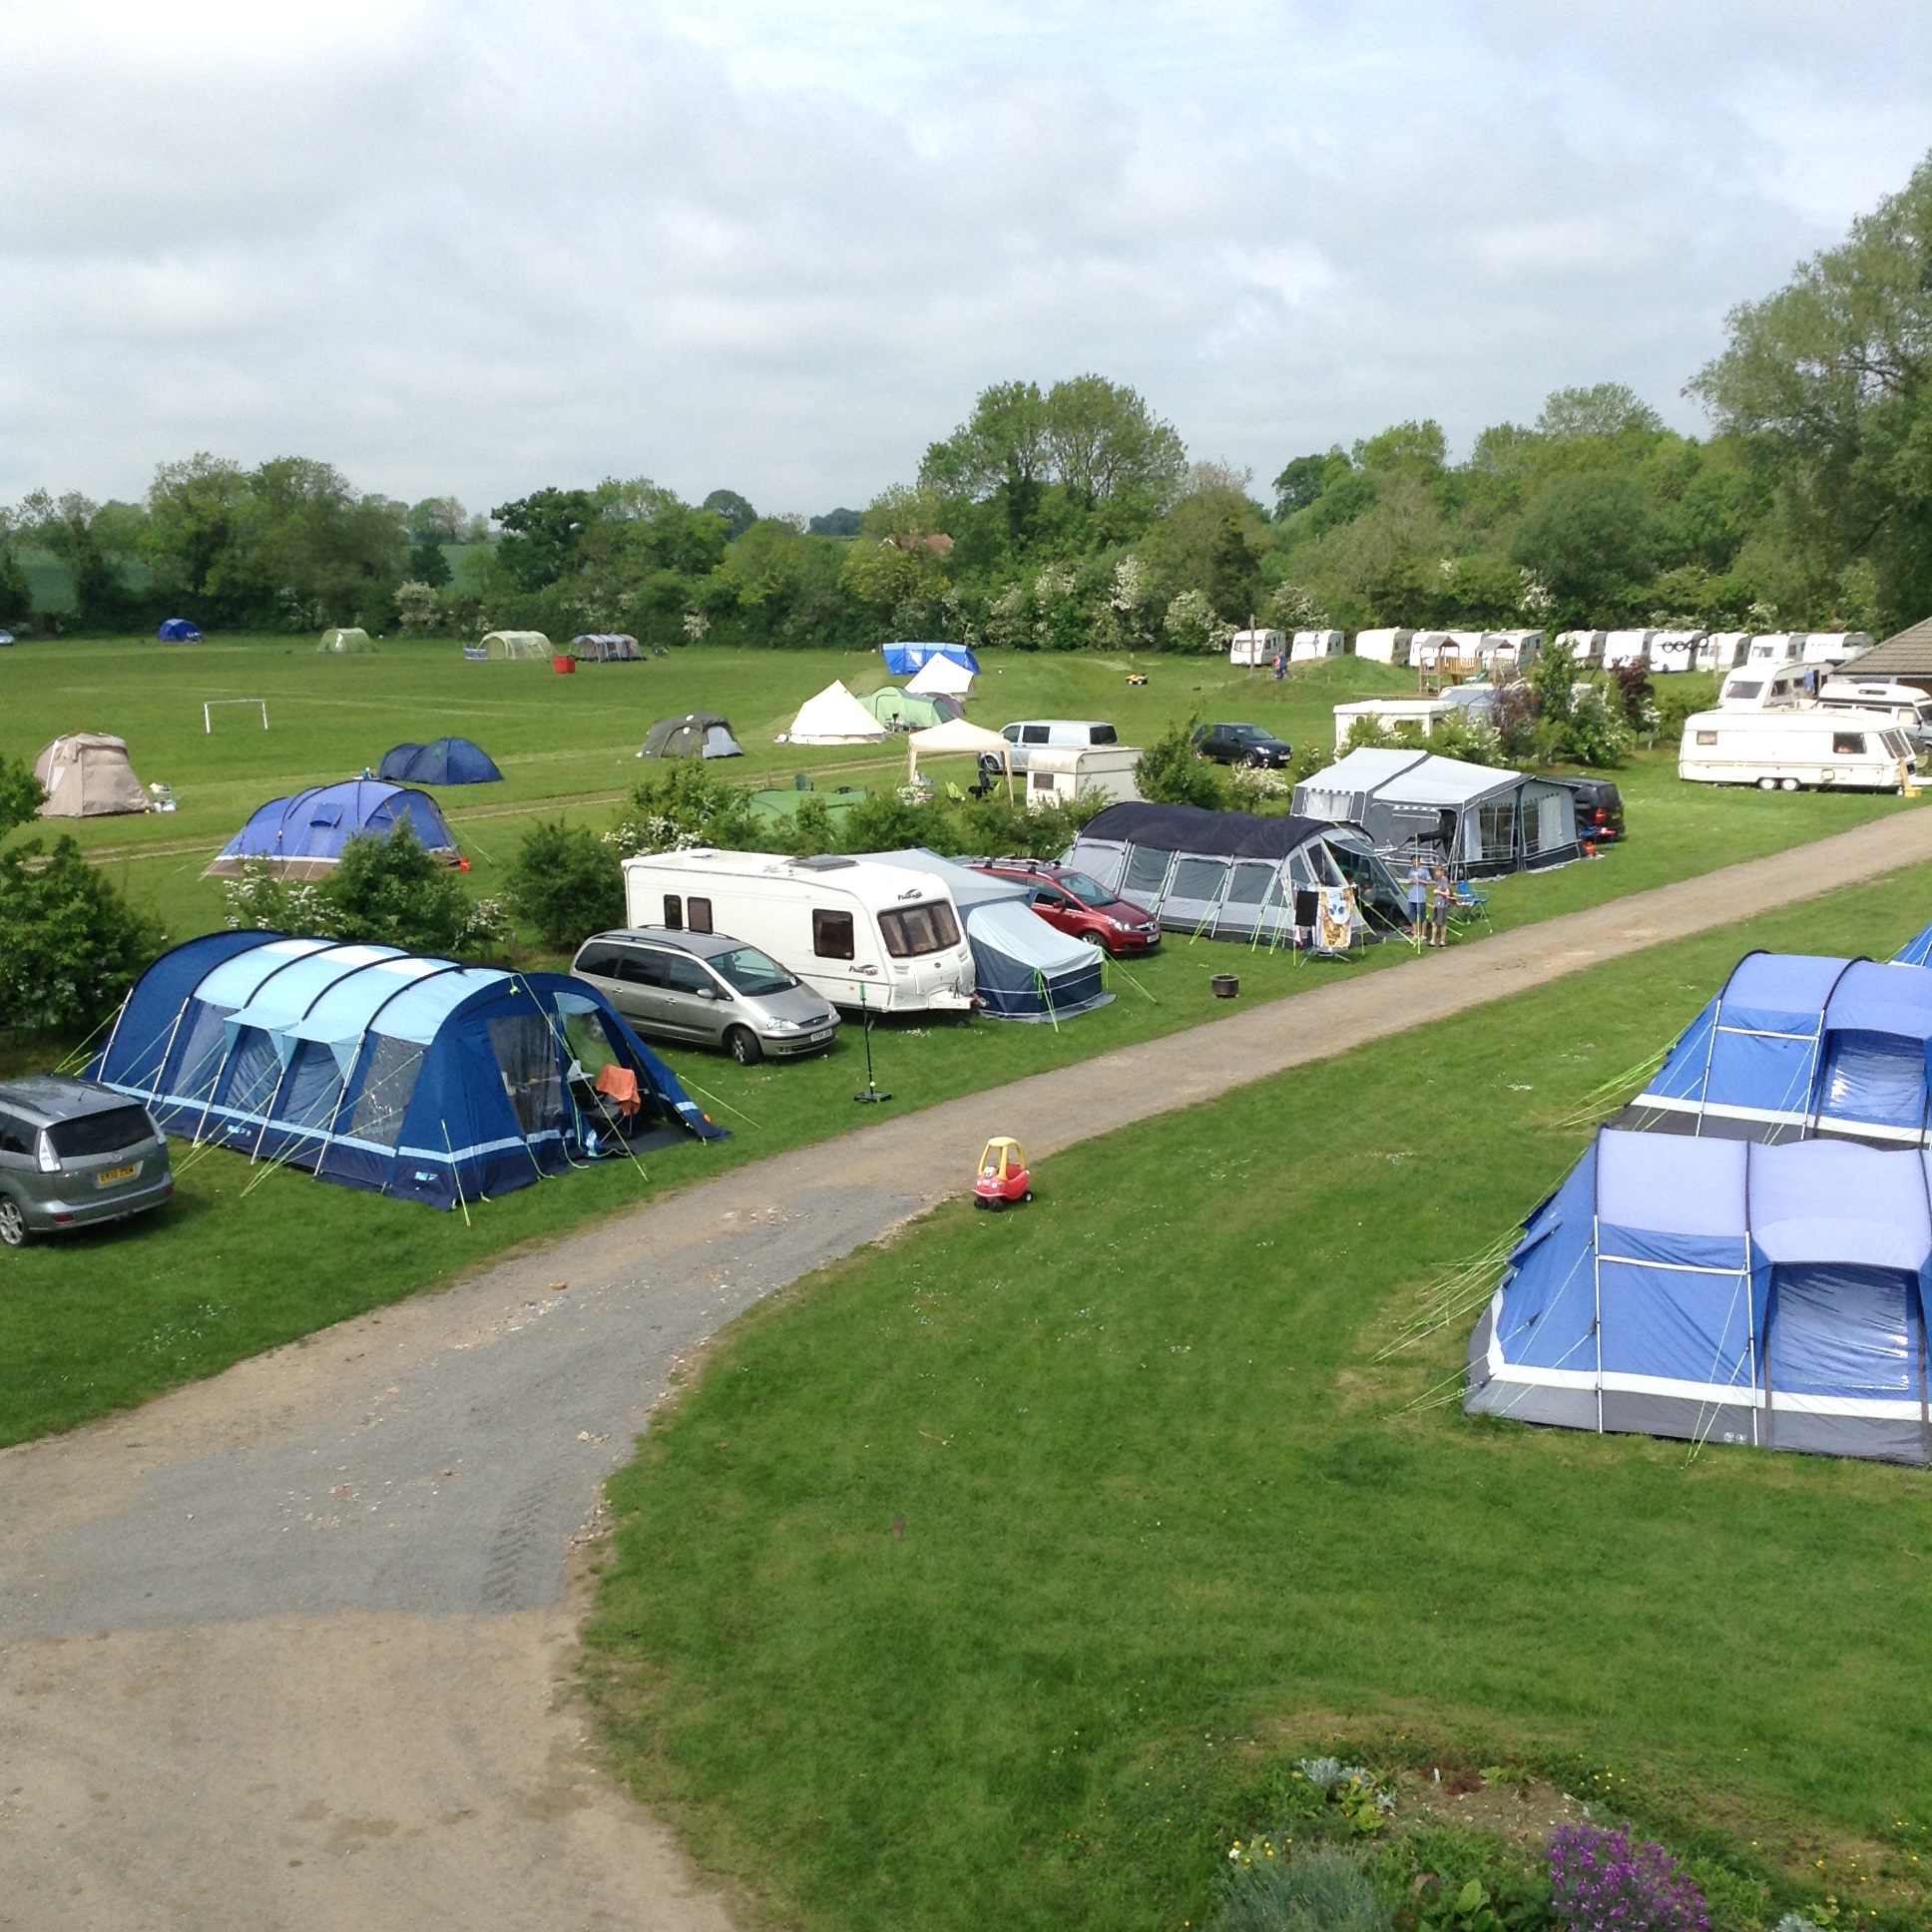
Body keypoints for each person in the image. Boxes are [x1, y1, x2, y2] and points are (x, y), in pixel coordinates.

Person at [1404, 852, 1429, 945]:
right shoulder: (1411, 871)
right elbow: (1408, 881)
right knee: (1413, 917)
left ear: (1419, 861)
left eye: (1415, 862)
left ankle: (1423, 934)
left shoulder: (1424, 871)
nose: (1414, 864)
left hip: (1421, 897)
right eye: (1412, 862)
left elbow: (1430, 882)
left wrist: (1421, 881)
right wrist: (1411, 881)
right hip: (1412, 897)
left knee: (1422, 917)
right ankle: (1416, 933)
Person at [1431, 859, 1452, 948]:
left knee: (1442, 924)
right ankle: (1432, 940)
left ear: (1442, 872)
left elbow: (1447, 893)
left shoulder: (1444, 880)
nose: (1436, 874)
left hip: (1442, 905)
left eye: (1438, 872)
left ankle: (1443, 941)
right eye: (1435, 872)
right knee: (1434, 923)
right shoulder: (1438, 881)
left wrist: (1438, 892)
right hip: (1437, 904)